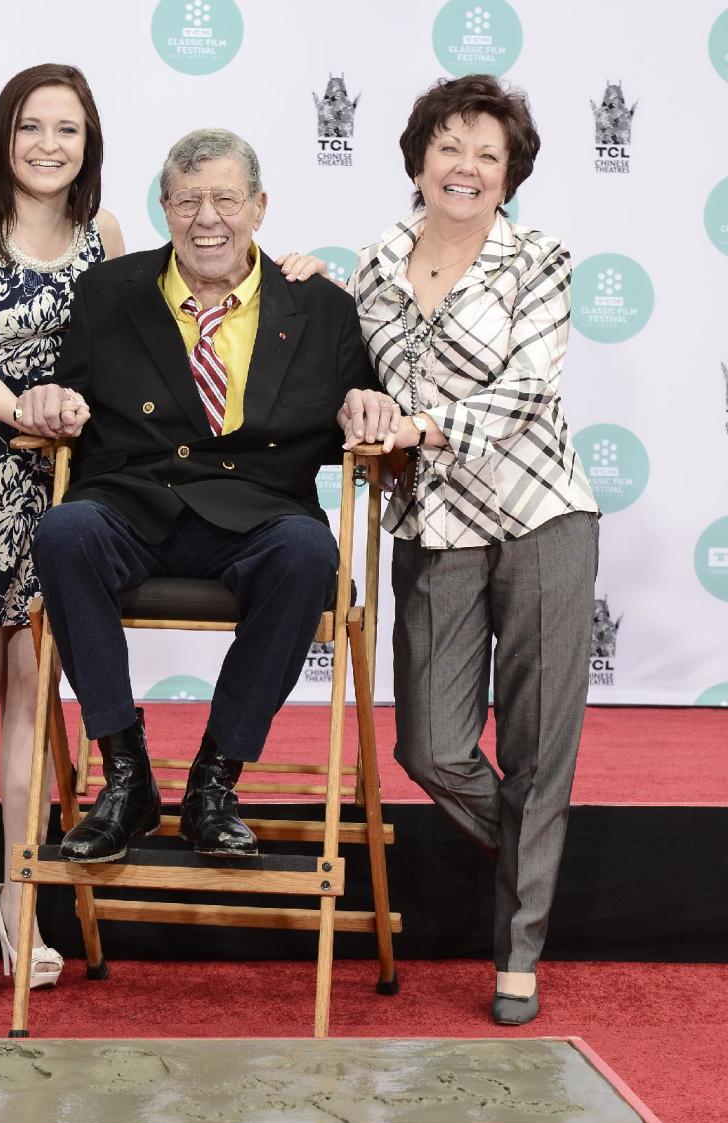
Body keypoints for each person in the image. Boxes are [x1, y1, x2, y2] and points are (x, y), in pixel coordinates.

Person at [0, 81, 324, 999]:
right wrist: (33, 416)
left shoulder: (108, 234)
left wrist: (288, 270)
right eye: (32, 126)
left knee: (34, 705)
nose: (48, 143)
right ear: (4, 135)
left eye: (68, 129)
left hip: (75, 470)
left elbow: (187, 295)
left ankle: (20, 896)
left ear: (91, 142)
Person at [17, 127, 375, 863]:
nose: (206, 218)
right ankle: (125, 773)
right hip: (134, 502)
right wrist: (55, 402)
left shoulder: (322, 309)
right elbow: (72, 396)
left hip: (256, 513)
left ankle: (216, 779)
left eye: (225, 199)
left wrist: (369, 410)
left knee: (309, 552)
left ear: (260, 206)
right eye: (187, 201)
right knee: (63, 531)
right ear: (163, 208)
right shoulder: (108, 293)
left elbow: (365, 402)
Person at [341, 75, 599, 1025]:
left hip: (542, 517)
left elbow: (530, 390)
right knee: (433, 747)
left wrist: (416, 425)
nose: (467, 166)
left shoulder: (541, 259)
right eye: (450, 146)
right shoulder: (368, 268)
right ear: (418, 159)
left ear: (509, 176)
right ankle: (539, 855)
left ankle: (519, 952)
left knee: (538, 747)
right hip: (436, 528)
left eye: (489, 154)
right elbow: (351, 376)